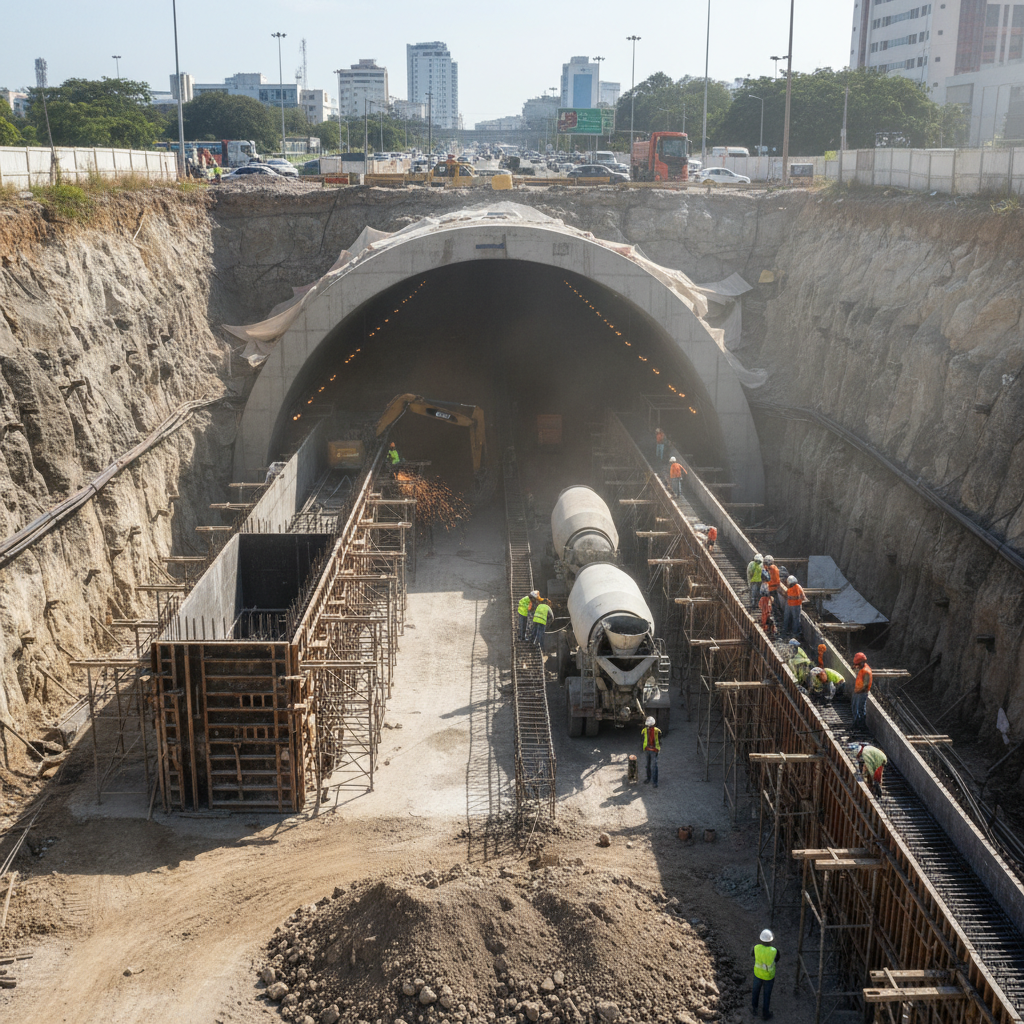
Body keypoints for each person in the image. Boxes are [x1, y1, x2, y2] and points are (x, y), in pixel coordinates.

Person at [751, 928, 779, 1021]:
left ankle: (754, 1009)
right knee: (767, 995)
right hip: (769, 977)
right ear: (771, 940)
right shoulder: (774, 951)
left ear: (761, 939)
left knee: (755, 991)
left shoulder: (756, 948)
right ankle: (765, 1014)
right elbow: (777, 959)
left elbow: (752, 954)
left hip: (758, 975)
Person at [851, 652, 873, 731]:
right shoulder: (862, 668)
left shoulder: (866, 671)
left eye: (858, 664)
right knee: (854, 708)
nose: (857, 666)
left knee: (860, 710)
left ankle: (861, 727)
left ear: (862, 662)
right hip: (857, 692)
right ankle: (855, 724)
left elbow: (866, 686)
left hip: (862, 693)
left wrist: (859, 692)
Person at [641, 715, 662, 788]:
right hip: (649, 750)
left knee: (653, 766)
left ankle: (653, 781)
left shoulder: (656, 731)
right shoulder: (656, 730)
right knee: (650, 765)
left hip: (653, 750)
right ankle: (651, 780)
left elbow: (659, 740)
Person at [783, 575, 805, 639]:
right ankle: (795, 633)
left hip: (789, 605)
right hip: (796, 605)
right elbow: (803, 597)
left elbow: (785, 595)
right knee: (796, 619)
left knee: (786, 617)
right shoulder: (799, 587)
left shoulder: (789, 589)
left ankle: (785, 631)